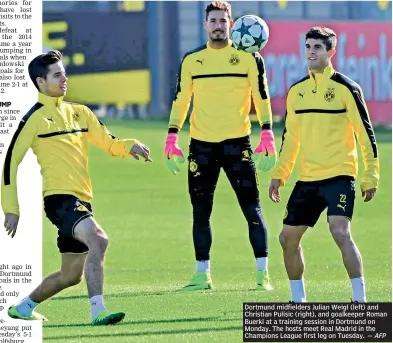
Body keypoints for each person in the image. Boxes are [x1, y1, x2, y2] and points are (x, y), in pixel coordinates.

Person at [2, 50, 152, 324]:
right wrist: (11, 209)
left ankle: (22, 308)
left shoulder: (80, 113)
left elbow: (109, 141)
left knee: (71, 276)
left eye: (64, 73)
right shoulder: (32, 120)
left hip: (82, 199)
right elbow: (10, 163)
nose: (64, 79)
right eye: (57, 75)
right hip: (59, 200)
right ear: (40, 82)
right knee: (100, 239)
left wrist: (130, 145)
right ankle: (98, 312)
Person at [164, 1, 276, 291]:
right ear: (205, 25)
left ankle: (263, 275)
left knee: (252, 210)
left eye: (222, 21)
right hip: (201, 147)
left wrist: (267, 133)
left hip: (237, 145)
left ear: (232, 24)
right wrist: (171, 136)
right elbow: (181, 100)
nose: (217, 26)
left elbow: (262, 97)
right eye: (212, 21)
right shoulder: (192, 60)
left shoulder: (250, 58)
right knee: (200, 212)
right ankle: (203, 275)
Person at [269, 27, 379, 303]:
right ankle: (298, 301)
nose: (311, 52)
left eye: (317, 47)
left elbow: (366, 134)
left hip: (340, 175)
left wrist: (371, 176)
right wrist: (279, 175)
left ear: (331, 52)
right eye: (308, 47)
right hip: (308, 179)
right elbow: (290, 139)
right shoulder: (296, 92)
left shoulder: (347, 88)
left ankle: (359, 301)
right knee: (286, 239)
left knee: (339, 231)